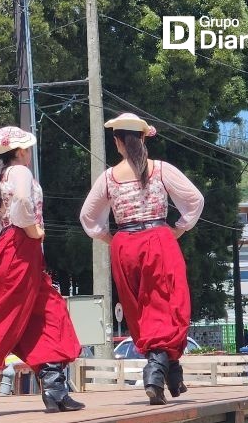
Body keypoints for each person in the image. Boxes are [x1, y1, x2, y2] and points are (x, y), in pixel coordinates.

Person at [0, 126, 85, 417]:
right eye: (28, 149)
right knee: (6, 320)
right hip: (22, 250)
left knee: (49, 314)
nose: (29, 154)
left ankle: (55, 389)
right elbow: (21, 203)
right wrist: (30, 232)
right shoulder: (19, 172)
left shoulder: (1, 176)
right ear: (20, 152)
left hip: (19, 252)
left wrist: (3, 244)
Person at [80, 113, 204, 405]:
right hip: (158, 239)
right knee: (171, 305)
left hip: (125, 245)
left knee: (139, 309)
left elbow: (87, 216)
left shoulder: (108, 177)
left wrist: (110, 238)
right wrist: (180, 228)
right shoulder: (160, 170)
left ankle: (171, 375)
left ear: (117, 142)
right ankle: (156, 370)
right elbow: (195, 199)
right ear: (145, 138)